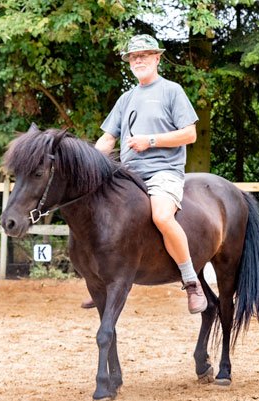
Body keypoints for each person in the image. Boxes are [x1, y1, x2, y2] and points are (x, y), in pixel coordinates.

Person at [81, 34, 206, 314]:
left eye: (144, 55)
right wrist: (89, 162)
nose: (138, 60)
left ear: (157, 58)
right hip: (128, 175)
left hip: (164, 172)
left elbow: (190, 134)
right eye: (134, 57)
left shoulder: (172, 91)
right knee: (96, 211)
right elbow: (108, 138)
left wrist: (150, 141)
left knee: (161, 215)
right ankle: (99, 280)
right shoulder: (126, 99)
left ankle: (191, 281)